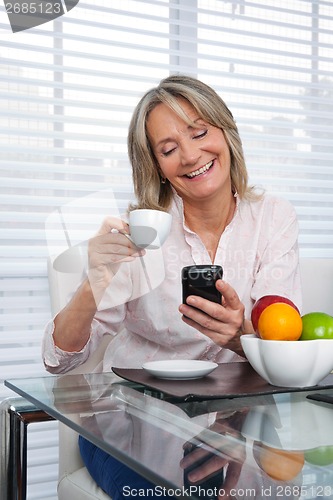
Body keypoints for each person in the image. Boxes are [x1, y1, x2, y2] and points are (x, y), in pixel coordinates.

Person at [42, 74, 302, 499]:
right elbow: (59, 362)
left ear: (225, 132)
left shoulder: (274, 218)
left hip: (236, 422)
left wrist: (240, 339)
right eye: (168, 148)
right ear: (157, 167)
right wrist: (94, 280)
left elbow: (288, 349)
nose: (191, 155)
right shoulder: (141, 233)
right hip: (130, 423)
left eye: (199, 132)